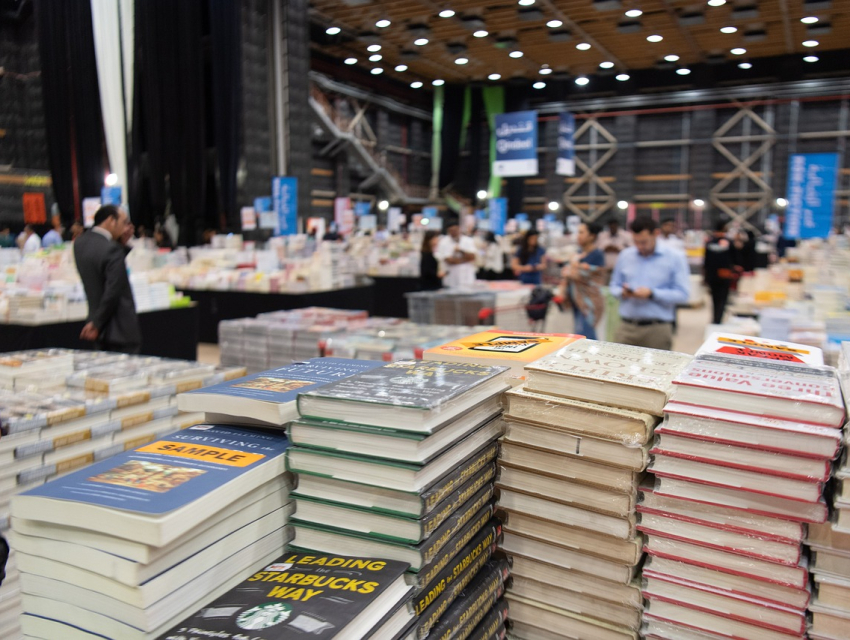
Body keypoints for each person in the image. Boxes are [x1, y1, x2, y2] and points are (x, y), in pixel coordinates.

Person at [610, 217, 691, 351]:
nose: (640, 247)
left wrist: (652, 294)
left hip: (657, 329)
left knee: (658, 370)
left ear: (656, 234)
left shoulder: (675, 257)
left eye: (644, 242)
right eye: (636, 242)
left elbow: (683, 294)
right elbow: (614, 286)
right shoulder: (625, 255)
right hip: (626, 328)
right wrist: (622, 292)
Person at [74, 205, 141, 354]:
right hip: (119, 327)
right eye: (124, 222)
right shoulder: (112, 249)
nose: (126, 227)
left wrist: (95, 322)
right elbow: (113, 289)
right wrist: (97, 324)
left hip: (95, 322)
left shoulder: (79, 244)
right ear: (111, 220)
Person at [561, 222, 606, 339]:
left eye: (581, 232)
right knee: (579, 336)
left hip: (589, 303)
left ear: (592, 236)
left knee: (586, 337)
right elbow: (569, 271)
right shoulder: (579, 253)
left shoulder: (597, 255)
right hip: (577, 301)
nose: (578, 236)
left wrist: (573, 269)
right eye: (578, 232)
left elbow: (588, 274)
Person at [704, 219, 740, 325]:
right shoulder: (729, 242)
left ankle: (715, 318)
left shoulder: (709, 242)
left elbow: (706, 260)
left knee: (714, 298)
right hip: (725, 275)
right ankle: (719, 318)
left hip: (712, 275)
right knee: (723, 298)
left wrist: (706, 276)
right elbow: (735, 259)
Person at [436, 219, 477, 289]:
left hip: (467, 277)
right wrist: (465, 260)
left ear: (459, 228)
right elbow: (448, 260)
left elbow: (472, 257)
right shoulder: (443, 242)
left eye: (455, 229)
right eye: (451, 230)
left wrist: (461, 251)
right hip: (451, 278)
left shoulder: (468, 240)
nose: (453, 232)